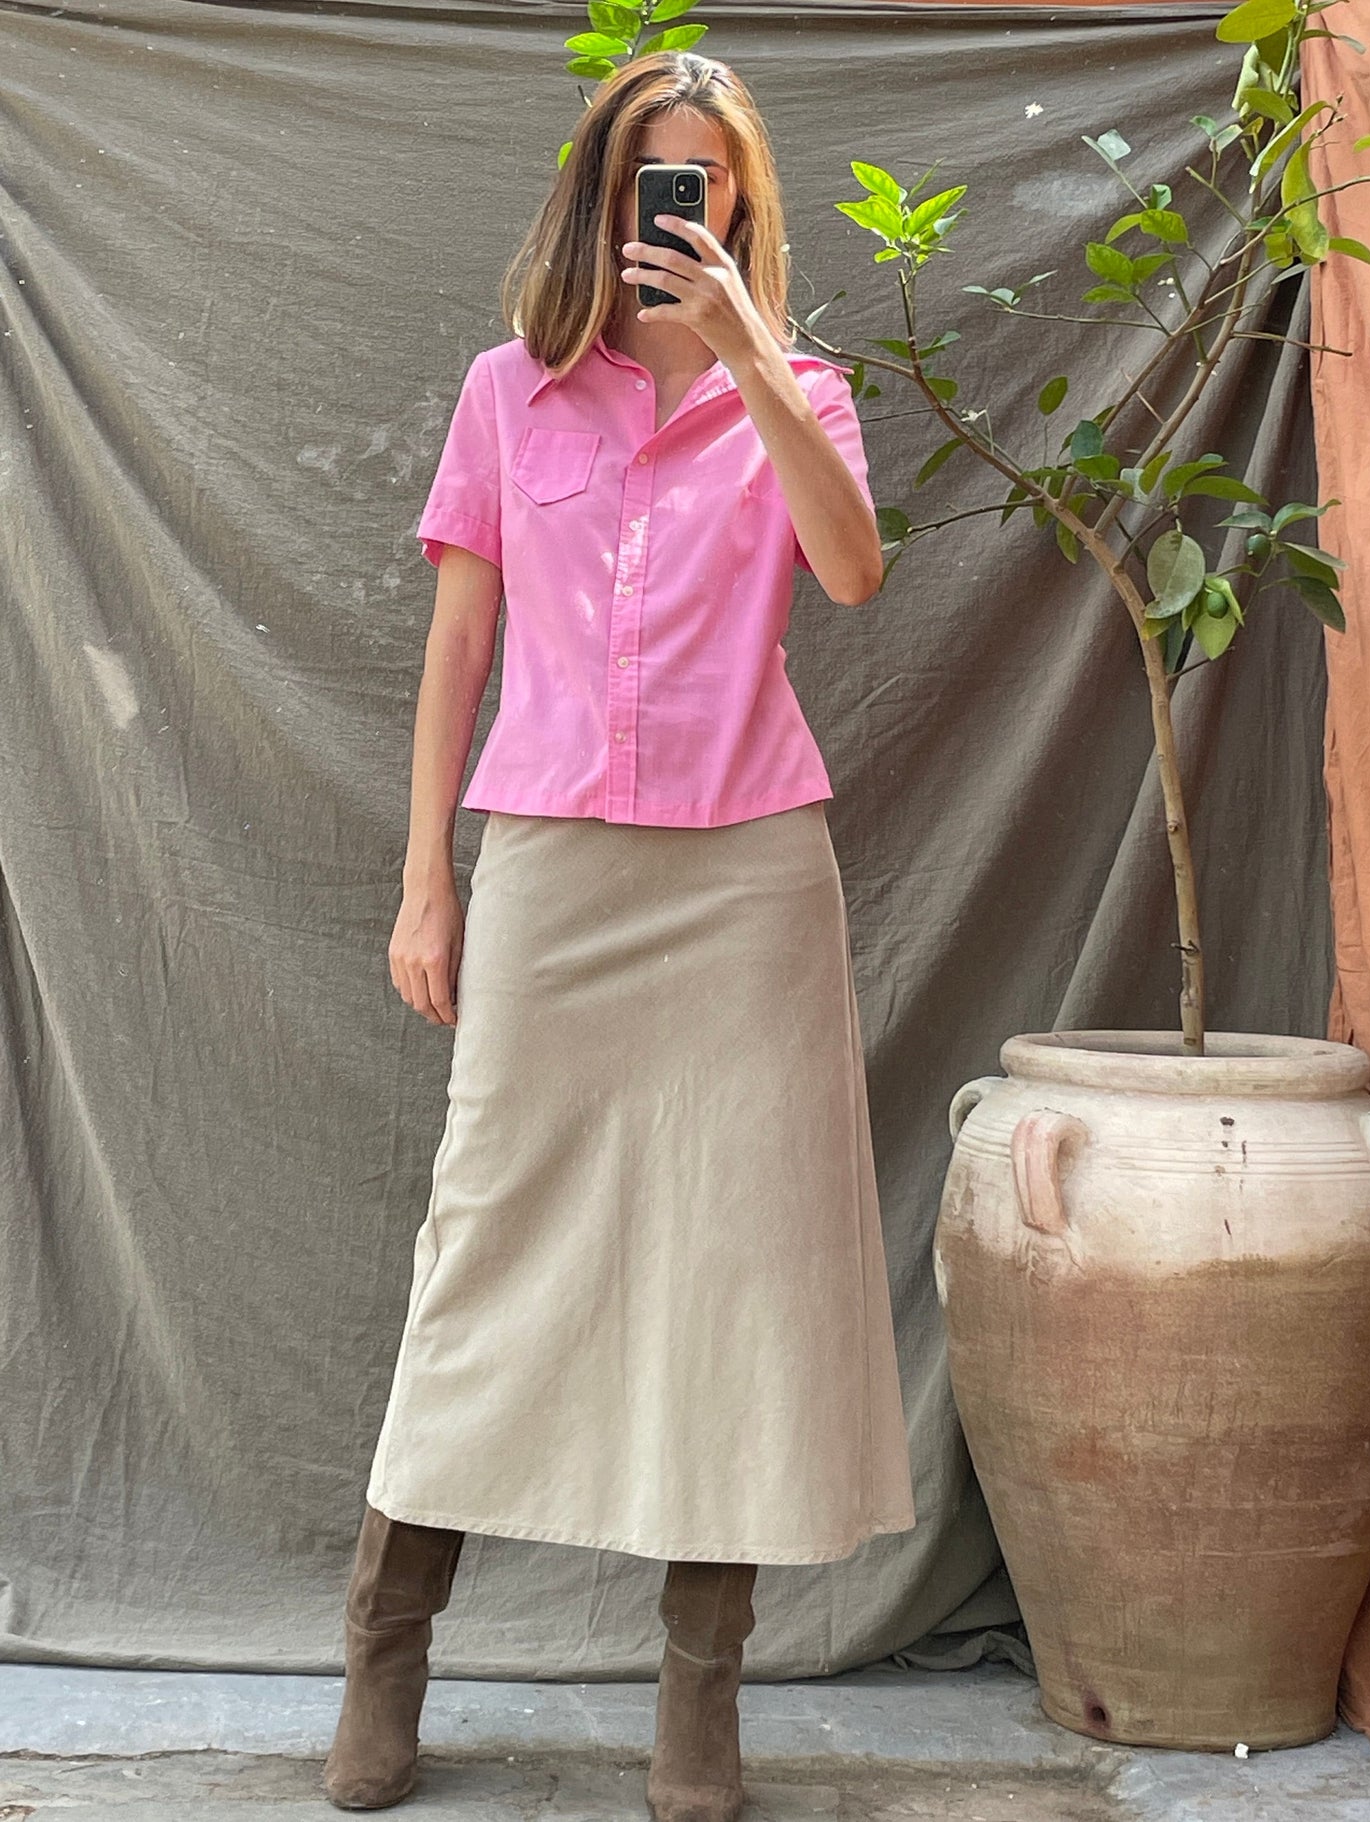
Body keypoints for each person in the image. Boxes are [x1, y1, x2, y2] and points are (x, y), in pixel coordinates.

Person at [322, 48, 917, 1818]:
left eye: (708, 177)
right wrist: (430, 876)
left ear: (740, 202)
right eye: (651, 171)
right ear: (601, 188)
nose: (681, 200)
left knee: (737, 1271)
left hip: (746, 871)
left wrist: (747, 358)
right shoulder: (511, 393)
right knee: (486, 1239)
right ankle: (383, 1639)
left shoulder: (797, 386)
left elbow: (853, 573)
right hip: (554, 861)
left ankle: (698, 1700)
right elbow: (456, 645)